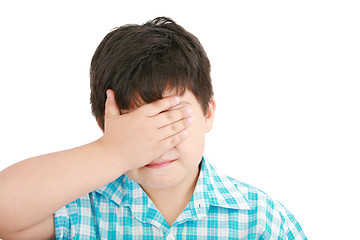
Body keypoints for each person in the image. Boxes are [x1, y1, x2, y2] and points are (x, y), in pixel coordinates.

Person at [0, 17, 307, 239]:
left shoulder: (261, 220)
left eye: (170, 117)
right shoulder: (79, 210)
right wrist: (113, 153)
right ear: (104, 127)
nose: (154, 142)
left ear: (208, 112)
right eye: (135, 126)